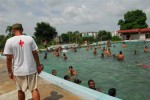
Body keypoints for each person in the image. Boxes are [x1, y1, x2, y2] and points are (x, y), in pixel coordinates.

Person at [3, 23, 43, 100]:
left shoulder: (9, 41)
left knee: (20, 90)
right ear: (22, 30)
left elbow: (8, 58)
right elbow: (35, 53)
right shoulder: (30, 38)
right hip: (31, 69)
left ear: (13, 30)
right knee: (34, 89)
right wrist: (38, 65)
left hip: (18, 70)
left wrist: (9, 71)